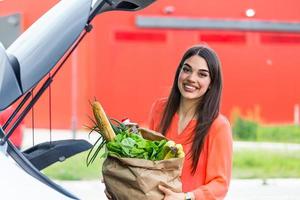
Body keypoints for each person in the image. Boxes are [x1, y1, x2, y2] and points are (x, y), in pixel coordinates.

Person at [148, 45, 233, 200]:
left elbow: (220, 184)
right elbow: (147, 161)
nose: (191, 78)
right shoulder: (159, 109)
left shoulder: (218, 126)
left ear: (211, 83)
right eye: (187, 70)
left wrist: (186, 197)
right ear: (179, 72)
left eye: (202, 74)